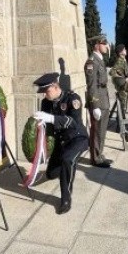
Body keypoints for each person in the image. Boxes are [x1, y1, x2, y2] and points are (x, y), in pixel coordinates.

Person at [32, 73, 90, 214]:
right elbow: (48, 124)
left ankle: (66, 198)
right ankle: (66, 168)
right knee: (51, 174)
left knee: (67, 160)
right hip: (61, 141)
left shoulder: (72, 98)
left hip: (77, 138)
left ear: (55, 86)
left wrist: (51, 118)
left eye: (47, 91)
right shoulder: (46, 102)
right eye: (43, 92)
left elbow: (73, 122)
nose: (45, 95)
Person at [84, 34, 112, 168]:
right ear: (96, 45)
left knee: (102, 130)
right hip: (98, 101)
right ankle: (95, 158)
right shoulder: (91, 62)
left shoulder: (100, 60)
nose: (107, 46)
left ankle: (99, 153)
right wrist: (94, 105)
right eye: (104, 43)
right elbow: (91, 85)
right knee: (97, 131)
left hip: (104, 99)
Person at [109, 43, 128, 116]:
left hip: (125, 87)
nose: (126, 50)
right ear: (120, 52)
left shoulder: (123, 60)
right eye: (124, 49)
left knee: (124, 106)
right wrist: (123, 78)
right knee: (123, 107)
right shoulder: (119, 61)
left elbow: (126, 72)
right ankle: (122, 124)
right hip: (122, 87)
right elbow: (111, 72)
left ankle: (121, 124)